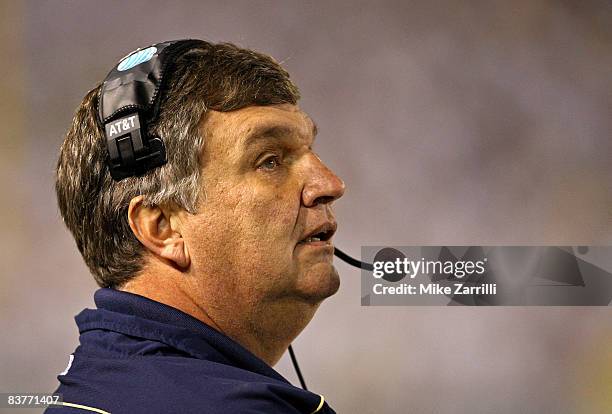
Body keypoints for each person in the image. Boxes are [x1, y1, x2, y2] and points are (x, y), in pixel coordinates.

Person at [46, 39, 344, 414]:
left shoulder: (97, 382)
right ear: (162, 228)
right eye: (270, 161)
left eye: (309, 152)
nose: (330, 184)